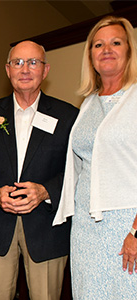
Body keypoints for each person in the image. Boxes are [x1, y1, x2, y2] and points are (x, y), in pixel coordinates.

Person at [0, 41, 78, 300]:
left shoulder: (68, 116)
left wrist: (44, 191)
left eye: (33, 62)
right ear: (7, 69)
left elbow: (76, 171)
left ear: (45, 70)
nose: (24, 69)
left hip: (47, 227)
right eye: (17, 62)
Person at [53, 16, 137, 299]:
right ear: (90, 55)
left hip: (127, 224)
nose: (106, 49)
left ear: (129, 50)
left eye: (116, 42)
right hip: (86, 227)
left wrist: (136, 232)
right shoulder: (88, 102)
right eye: (98, 45)